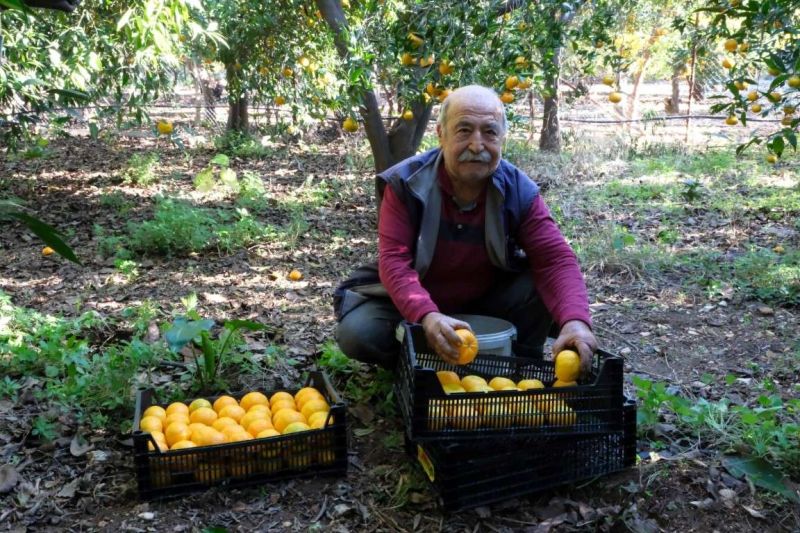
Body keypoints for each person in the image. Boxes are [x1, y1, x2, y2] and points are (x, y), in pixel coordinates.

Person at [334, 85, 597, 372]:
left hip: (484, 301)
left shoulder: (518, 190)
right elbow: (394, 261)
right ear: (440, 134)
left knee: (540, 284)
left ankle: (519, 366)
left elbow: (555, 258)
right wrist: (427, 315)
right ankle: (415, 371)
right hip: (412, 304)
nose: (477, 145)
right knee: (359, 333)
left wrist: (576, 322)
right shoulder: (407, 184)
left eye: (490, 132)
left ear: (502, 138)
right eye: (464, 130)